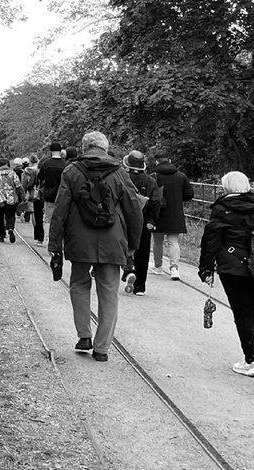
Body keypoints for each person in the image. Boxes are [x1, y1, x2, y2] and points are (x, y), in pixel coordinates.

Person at [47, 131, 144, 363]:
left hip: (80, 240)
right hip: (112, 240)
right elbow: (133, 209)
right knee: (109, 292)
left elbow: (60, 209)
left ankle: (84, 335)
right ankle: (102, 348)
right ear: (106, 148)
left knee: (79, 285)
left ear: (84, 147)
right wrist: (133, 243)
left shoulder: (71, 171)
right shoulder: (120, 172)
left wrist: (55, 243)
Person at [197, 171, 254, 378]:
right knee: (251, 306)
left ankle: (251, 361)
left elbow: (212, 239)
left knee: (242, 311)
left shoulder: (222, 209)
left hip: (233, 266)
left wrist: (206, 268)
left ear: (226, 188)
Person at [120, 151, 162, 296]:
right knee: (143, 252)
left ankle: (128, 269)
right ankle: (140, 287)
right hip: (143, 221)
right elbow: (156, 201)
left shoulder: (122, 178)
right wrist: (152, 220)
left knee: (123, 245)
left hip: (124, 219)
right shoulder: (150, 181)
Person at [150, 152, 194, 280]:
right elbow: (189, 194)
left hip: (158, 212)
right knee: (173, 241)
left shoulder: (153, 176)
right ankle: (174, 268)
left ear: (157, 162)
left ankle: (158, 266)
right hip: (175, 212)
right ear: (169, 160)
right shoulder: (181, 176)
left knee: (157, 241)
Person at [34, 142, 66, 246]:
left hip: (49, 194)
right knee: (60, 218)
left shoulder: (46, 164)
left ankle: (48, 237)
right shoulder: (65, 165)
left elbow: (40, 177)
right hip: (62, 195)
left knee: (48, 218)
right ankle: (58, 240)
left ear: (51, 151)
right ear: (60, 151)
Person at [0, 155, 23, 243]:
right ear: (7, 164)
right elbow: (18, 185)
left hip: (0, 199)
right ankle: (10, 228)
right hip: (11, 197)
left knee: (0, 216)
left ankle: (1, 235)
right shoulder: (12, 173)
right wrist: (22, 195)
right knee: (10, 215)